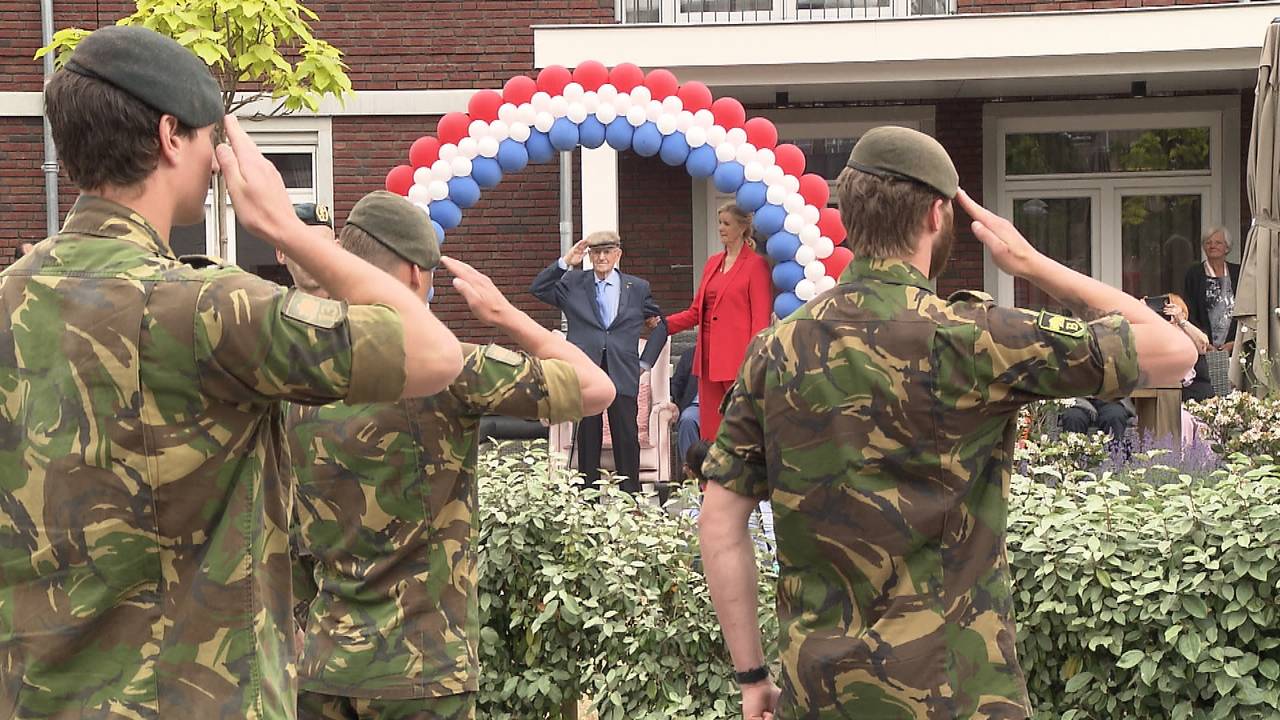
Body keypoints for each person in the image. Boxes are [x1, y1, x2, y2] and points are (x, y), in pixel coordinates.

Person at [0, 25, 463, 719]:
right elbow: (435, 352)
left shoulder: (9, 296)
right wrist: (285, 227)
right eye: (210, 137)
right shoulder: (209, 307)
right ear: (169, 136)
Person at [698, 126, 1197, 719]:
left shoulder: (774, 352)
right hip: (959, 692)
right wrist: (1030, 262)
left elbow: (720, 522)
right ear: (937, 214)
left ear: (850, 216)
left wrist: (752, 676)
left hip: (821, 696)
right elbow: (1173, 348)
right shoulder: (975, 338)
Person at [289, 190, 613, 720]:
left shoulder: (300, 372)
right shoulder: (447, 370)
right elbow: (596, 387)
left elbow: (288, 534)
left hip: (325, 666)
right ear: (418, 275)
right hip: (421, 671)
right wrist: (505, 313)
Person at [530, 230, 667, 493]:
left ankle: (630, 501)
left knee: (626, 437)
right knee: (588, 437)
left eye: (607, 252)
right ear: (590, 256)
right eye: (596, 253)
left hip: (624, 370)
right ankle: (588, 502)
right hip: (586, 370)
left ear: (618, 254)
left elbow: (661, 325)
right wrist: (566, 262)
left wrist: (646, 362)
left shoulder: (637, 288)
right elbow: (539, 288)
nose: (602, 257)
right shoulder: (573, 283)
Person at [664, 202, 772, 441]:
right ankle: (711, 478)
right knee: (712, 432)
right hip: (708, 360)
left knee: (741, 428)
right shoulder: (713, 262)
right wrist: (663, 325)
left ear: (743, 227)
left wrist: (752, 362)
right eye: (719, 223)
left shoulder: (756, 265)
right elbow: (696, 312)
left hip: (737, 360)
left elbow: (760, 321)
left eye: (726, 223)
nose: (721, 228)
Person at [1183, 226, 1241, 354]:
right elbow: (1189, 310)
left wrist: (1236, 342)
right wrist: (1202, 340)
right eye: (1208, 242)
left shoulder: (1238, 273)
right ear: (1204, 247)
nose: (1212, 246)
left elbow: (1245, 309)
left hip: (1235, 346)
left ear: (1227, 247)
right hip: (1204, 346)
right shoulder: (1194, 274)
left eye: (1218, 242)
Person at [281, 202, 337, 295]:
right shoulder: (271, 307)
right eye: (303, 245)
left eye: (323, 246)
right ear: (281, 253)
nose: (313, 256)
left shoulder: (358, 306)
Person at [670, 347, 701, 462]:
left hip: (722, 406)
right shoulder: (690, 354)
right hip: (695, 406)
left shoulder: (731, 352)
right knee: (687, 419)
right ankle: (691, 470)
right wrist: (672, 402)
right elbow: (676, 384)